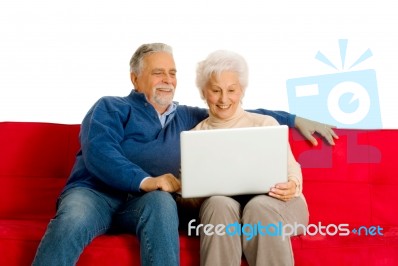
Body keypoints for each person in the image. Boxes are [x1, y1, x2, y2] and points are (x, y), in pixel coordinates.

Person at [32, 43, 336, 266]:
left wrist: (294, 119)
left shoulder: (188, 118)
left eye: (172, 73)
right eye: (157, 72)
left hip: (141, 203)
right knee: (75, 215)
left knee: (163, 204)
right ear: (135, 79)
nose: (167, 79)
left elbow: (236, 110)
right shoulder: (110, 107)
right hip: (96, 194)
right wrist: (147, 180)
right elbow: (100, 152)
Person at [188, 50, 309, 266]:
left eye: (231, 90)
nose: (224, 99)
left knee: (258, 207)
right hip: (224, 213)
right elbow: (189, 196)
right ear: (204, 93)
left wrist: (293, 184)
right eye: (216, 90)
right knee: (217, 203)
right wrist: (196, 191)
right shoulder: (196, 136)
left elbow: (292, 169)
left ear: (241, 91)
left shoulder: (265, 124)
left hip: (278, 206)